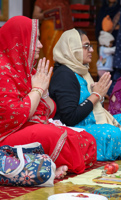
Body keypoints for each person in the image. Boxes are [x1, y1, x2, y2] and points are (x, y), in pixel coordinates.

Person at [0, 16, 97, 179]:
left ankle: (44, 165)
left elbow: (50, 111)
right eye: (35, 39)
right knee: (52, 135)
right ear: (20, 40)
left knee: (85, 138)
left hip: (25, 128)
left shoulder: (25, 70)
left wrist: (42, 92)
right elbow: (14, 116)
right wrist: (37, 89)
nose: (40, 45)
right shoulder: (3, 71)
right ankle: (45, 165)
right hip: (5, 137)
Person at [49, 28, 121, 161]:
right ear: (72, 48)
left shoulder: (82, 71)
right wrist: (96, 95)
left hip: (92, 121)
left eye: (90, 46)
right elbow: (70, 118)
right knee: (111, 133)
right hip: (75, 129)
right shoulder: (64, 75)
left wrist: (97, 96)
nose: (91, 50)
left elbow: (95, 110)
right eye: (86, 46)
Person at [32, 0, 74, 68]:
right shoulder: (42, 1)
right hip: (49, 30)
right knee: (50, 55)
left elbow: (68, 17)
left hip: (63, 32)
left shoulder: (65, 1)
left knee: (62, 55)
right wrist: (48, 14)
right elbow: (35, 15)